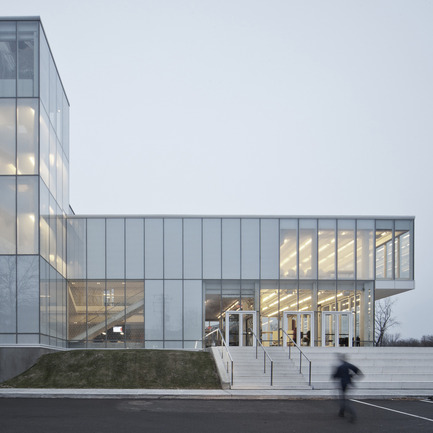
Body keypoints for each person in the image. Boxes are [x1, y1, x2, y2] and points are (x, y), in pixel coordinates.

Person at [332, 353, 363, 422]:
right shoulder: (350, 366)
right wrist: (352, 377)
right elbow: (359, 373)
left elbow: (335, 376)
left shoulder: (340, 367)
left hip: (343, 384)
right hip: (350, 384)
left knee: (344, 400)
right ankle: (341, 412)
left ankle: (352, 413)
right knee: (344, 398)